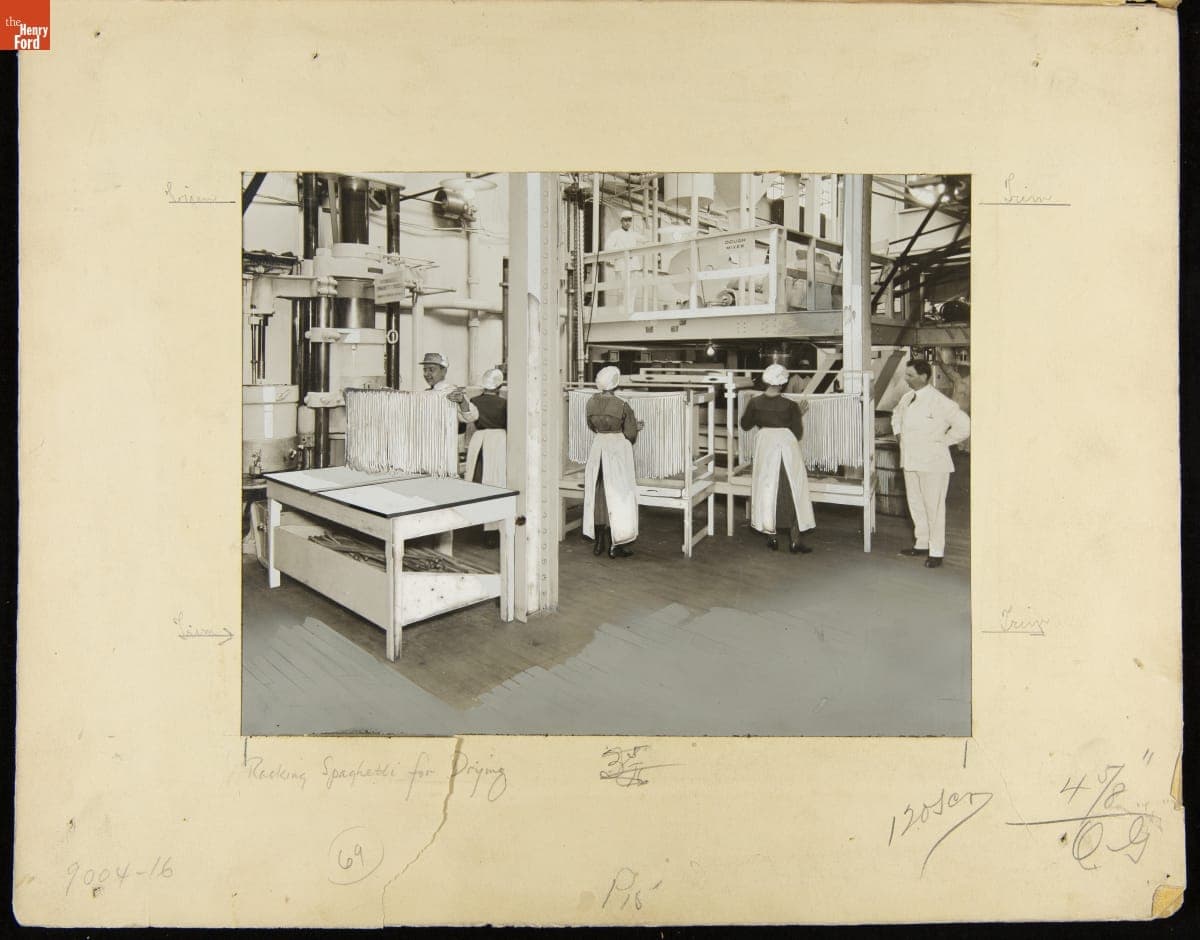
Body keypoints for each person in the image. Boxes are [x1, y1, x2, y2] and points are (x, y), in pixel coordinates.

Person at [890, 358, 972, 569]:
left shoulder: (940, 402)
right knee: (916, 504)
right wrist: (899, 434)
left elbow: (965, 426)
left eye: (910, 375)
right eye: (906, 374)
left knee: (933, 507)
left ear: (924, 376)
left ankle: (936, 551)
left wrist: (943, 441)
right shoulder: (908, 398)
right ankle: (922, 543)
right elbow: (896, 416)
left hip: (933, 463)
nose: (906, 379)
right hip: (910, 460)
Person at [740, 364, 816, 553]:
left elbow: (745, 425)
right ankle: (794, 541)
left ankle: (771, 537)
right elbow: (797, 434)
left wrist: (752, 410)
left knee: (767, 488)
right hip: (787, 450)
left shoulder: (755, 402)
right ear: (783, 383)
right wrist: (799, 414)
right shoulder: (790, 406)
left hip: (765, 448)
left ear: (766, 380)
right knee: (793, 490)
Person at [583, 365, 642, 559]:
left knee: (599, 494)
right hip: (617, 448)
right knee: (619, 495)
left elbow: (591, 425)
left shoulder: (590, 403)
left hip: (599, 447)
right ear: (616, 383)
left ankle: (599, 543)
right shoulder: (622, 405)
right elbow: (630, 434)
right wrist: (636, 427)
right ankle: (616, 545)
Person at [466, 367, 508, 548]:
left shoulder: (473, 401)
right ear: (499, 386)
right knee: (496, 482)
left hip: (479, 441)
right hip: (498, 441)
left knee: (478, 480)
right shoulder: (504, 403)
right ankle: (493, 531)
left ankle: (477, 523)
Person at [420, 352, 479, 424]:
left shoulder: (452, 391)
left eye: (431, 370)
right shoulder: (426, 393)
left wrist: (462, 402)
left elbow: (472, 417)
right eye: (425, 370)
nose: (426, 374)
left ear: (443, 371)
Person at [604, 209, 644, 309]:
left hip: (633, 265)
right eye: (625, 220)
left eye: (629, 220)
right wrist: (623, 251)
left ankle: (630, 311)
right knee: (622, 289)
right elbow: (608, 247)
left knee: (632, 289)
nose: (627, 222)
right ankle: (621, 312)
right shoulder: (615, 234)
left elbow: (645, 240)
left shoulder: (633, 234)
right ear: (621, 221)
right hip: (621, 265)